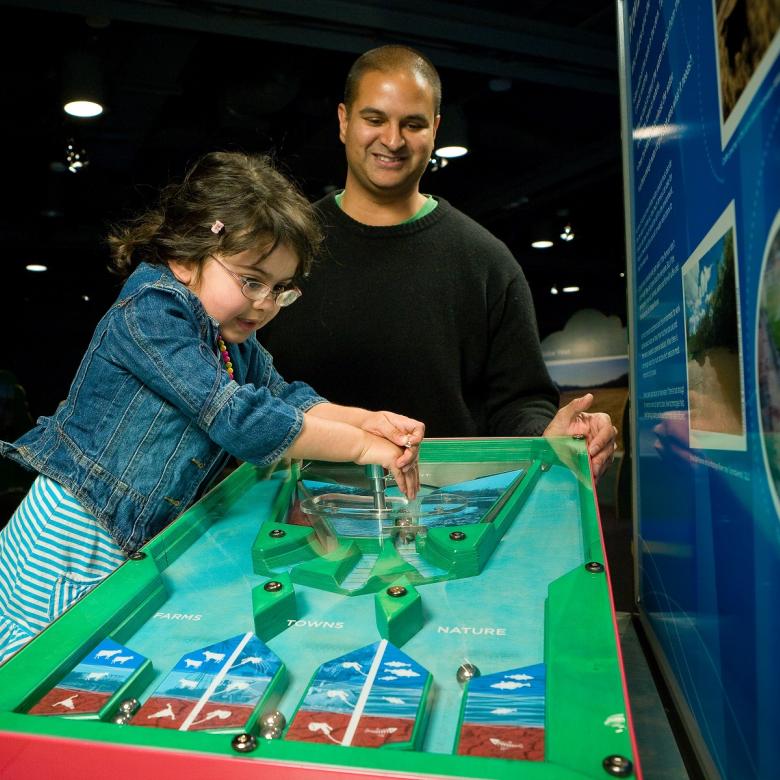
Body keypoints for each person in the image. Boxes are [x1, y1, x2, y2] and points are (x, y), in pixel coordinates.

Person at [0, 151, 424, 664]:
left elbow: (287, 398)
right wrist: (359, 447)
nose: (265, 303)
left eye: (280, 290)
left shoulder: (231, 339)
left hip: (122, 542)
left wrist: (367, 420)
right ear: (185, 255)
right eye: (251, 280)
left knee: (85, 670)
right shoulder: (152, 311)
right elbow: (238, 417)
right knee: (39, 674)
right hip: (71, 540)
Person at [260, 45, 617, 476]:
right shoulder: (284, 251)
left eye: (412, 124)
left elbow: (520, 401)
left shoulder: (486, 261)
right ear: (343, 120)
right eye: (375, 119)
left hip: (450, 517)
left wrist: (552, 434)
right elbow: (243, 380)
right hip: (293, 514)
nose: (392, 140)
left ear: (436, 130)